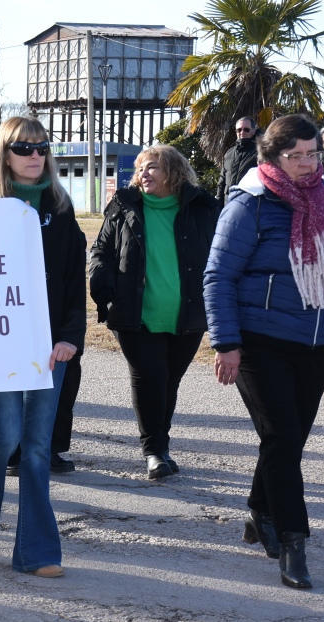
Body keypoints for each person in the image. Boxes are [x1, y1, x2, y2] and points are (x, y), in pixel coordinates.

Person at [205, 114, 324, 590]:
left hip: (319, 341)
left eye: (314, 153)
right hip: (259, 341)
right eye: (296, 156)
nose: (307, 163)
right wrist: (226, 343)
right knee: (284, 438)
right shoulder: (250, 204)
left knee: (284, 441)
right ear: (272, 157)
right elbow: (218, 277)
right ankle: (294, 540)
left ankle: (259, 509)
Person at [0, 117, 86, 576]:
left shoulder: (62, 208)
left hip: (50, 346)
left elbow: (73, 281)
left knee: (37, 446)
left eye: (41, 147)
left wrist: (70, 336)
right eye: (24, 147)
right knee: (4, 434)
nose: (35, 155)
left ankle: (37, 552)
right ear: (4, 153)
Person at [89, 145, 220, 479]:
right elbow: (102, 248)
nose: (144, 174)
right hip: (136, 314)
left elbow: (219, 255)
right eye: (141, 169)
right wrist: (101, 281)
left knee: (168, 382)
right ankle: (155, 451)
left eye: (152, 168)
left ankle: (160, 444)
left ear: (173, 172)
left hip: (187, 315)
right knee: (150, 379)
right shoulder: (124, 206)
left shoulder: (202, 209)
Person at [217, 117, 259, 207]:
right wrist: (218, 205)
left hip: (249, 206)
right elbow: (222, 182)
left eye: (246, 130)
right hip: (228, 205)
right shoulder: (229, 153)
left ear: (254, 131)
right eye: (239, 130)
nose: (242, 133)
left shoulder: (260, 152)